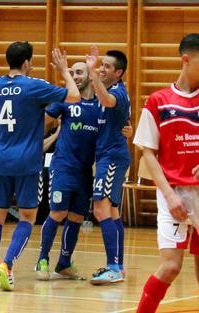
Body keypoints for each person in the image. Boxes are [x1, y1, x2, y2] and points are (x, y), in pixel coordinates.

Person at [0, 41, 80, 291]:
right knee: (27, 216)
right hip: (27, 160)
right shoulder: (34, 86)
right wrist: (64, 71)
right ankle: (7, 264)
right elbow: (74, 96)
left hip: (1, 159)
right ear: (27, 63)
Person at [35, 62, 133, 282]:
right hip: (62, 168)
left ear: (90, 75)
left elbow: (118, 122)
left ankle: (64, 263)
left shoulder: (100, 104)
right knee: (58, 213)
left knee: (77, 217)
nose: (75, 76)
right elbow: (42, 121)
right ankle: (42, 259)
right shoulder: (66, 101)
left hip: (85, 172)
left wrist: (128, 129)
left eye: (79, 72)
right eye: (71, 73)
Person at [134, 33, 199, 313]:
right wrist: (170, 196)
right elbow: (148, 153)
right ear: (186, 59)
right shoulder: (158, 101)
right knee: (171, 266)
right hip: (173, 193)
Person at [85, 47, 131, 285]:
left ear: (119, 72)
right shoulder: (109, 90)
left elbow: (107, 100)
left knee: (100, 210)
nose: (102, 69)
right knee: (111, 212)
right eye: (101, 64)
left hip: (112, 156)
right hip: (108, 155)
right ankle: (118, 266)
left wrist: (92, 73)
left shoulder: (117, 93)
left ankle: (113, 266)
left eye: (107, 66)